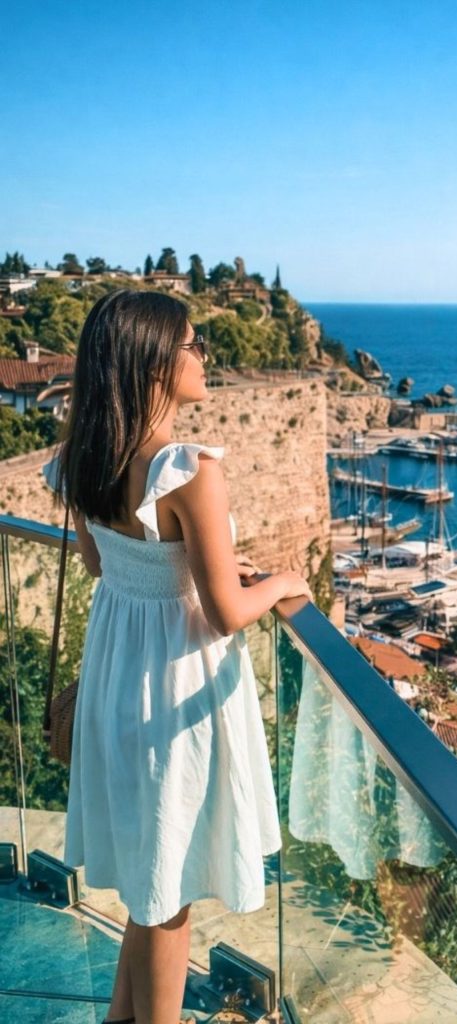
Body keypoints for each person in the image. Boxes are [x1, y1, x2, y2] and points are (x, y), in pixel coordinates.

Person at [44, 289, 312, 1024]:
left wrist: (198, 565)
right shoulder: (188, 469)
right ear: (156, 361)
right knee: (170, 899)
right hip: (173, 691)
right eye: (194, 344)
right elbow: (225, 614)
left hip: (115, 678)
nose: (204, 356)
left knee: (153, 879)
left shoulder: (84, 457)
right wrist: (282, 582)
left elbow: (102, 564)